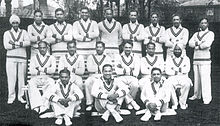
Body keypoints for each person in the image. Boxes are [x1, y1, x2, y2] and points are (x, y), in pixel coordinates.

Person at [3, 14, 31, 104]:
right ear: (11, 23)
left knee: (22, 79)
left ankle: (21, 96)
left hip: (22, 58)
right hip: (11, 58)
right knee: (11, 78)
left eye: (17, 23)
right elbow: (6, 46)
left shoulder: (24, 32)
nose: (15, 24)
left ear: (19, 23)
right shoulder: (7, 33)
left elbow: (28, 43)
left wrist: (15, 43)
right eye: (13, 23)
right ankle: (11, 97)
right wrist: (20, 44)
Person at [188, 18, 214, 104]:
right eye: (202, 23)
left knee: (205, 78)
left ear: (208, 24)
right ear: (199, 24)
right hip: (196, 59)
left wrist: (197, 45)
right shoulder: (196, 34)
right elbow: (190, 43)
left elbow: (207, 44)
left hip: (205, 60)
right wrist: (199, 43)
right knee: (197, 78)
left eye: (205, 23)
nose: (203, 24)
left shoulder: (210, 33)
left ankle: (207, 98)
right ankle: (197, 95)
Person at [28, 41, 56, 113]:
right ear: (38, 48)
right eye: (40, 48)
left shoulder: (51, 58)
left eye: (44, 47)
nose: (42, 49)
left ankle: (44, 106)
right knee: (31, 83)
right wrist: (46, 71)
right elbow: (32, 71)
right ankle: (37, 106)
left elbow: (52, 70)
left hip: (48, 78)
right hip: (37, 78)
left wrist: (40, 69)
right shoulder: (34, 58)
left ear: (47, 48)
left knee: (52, 83)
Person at [85, 41, 112, 111]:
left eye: (100, 47)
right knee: (87, 82)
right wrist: (100, 68)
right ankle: (89, 103)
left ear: (104, 48)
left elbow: (108, 68)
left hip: (103, 75)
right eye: (97, 47)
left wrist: (96, 68)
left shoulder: (107, 57)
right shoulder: (91, 57)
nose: (99, 49)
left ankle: (103, 103)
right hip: (93, 75)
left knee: (100, 82)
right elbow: (89, 69)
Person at [115, 40, 140, 110]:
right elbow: (117, 71)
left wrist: (124, 69)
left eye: (129, 47)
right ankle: (131, 102)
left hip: (132, 77)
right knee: (122, 86)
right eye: (126, 47)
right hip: (121, 77)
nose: (128, 49)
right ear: (123, 47)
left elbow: (136, 73)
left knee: (135, 85)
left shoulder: (136, 57)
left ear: (132, 48)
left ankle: (128, 101)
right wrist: (130, 69)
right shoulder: (118, 57)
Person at [165, 44, 192, 109]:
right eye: (176, 49)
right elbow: (167, 71)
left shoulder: (186, 59)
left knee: (187, 84)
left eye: (179, 49)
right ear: (173, 50)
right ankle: (175, 103)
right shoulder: (169, 58)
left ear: (182, 50)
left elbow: (187, 69)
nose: (177, 51)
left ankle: (182, 103)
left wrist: (174, 69)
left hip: (183, 77)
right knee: (169, 84)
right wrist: (180, 70)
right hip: (172, 77)